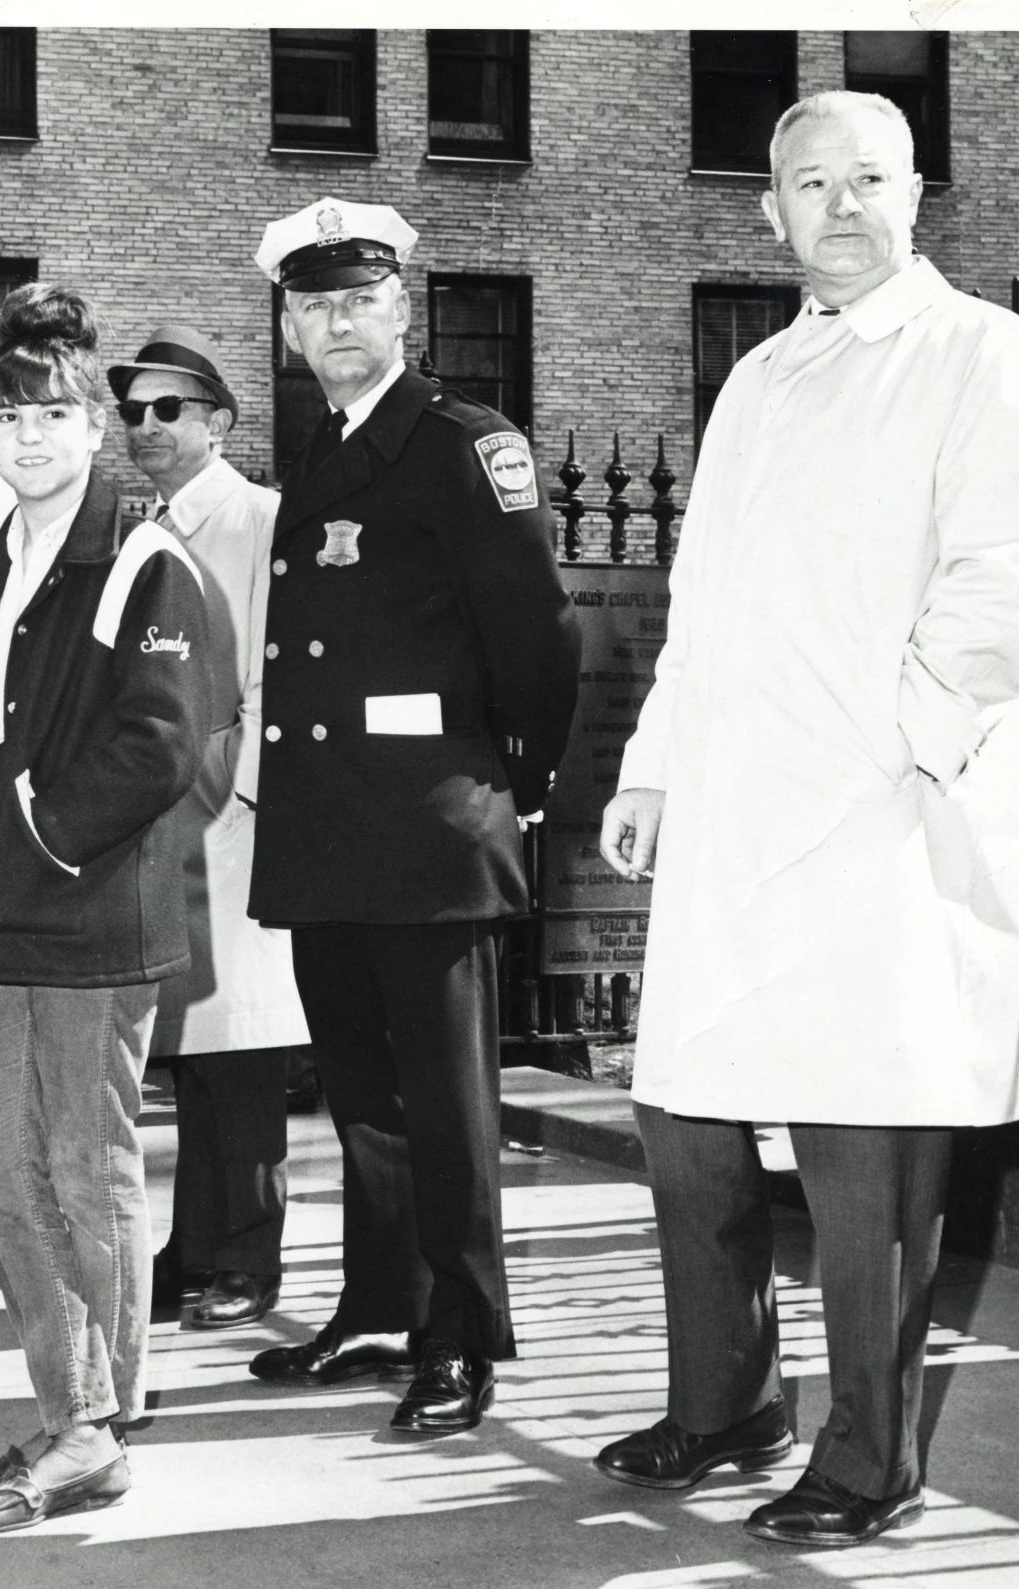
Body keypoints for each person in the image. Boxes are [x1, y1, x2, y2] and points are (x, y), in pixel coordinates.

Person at [594, 92, 1019, 1547]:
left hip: (873, 816)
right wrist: (651, 766)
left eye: (869, 177)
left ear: (917, 192)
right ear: (771, 214)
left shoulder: (981, 354)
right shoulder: (758, 380)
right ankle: (725, 1399)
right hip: (736, 814)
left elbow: (1002, 582)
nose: (842, 204)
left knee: (861, 1155)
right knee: (686, 1119)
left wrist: (904, 745)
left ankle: (870, 1456)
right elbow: (705, 601)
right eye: (811, 182)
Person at [242, 197, 581, 1436]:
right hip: (333, 828)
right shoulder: (321, 452)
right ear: (288, 324)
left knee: (446, 1099)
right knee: (361, 1093)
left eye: (356, 302)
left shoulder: (460, 442)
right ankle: (382, 1302)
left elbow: (536, 638)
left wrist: (517, 784)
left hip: (429, 828)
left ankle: (462, 1328)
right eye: (311, 306)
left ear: (401, 311)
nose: (334, 323)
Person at [0, 285, 214, 1532]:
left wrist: (23, 824)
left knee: (85, 1168)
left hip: (85, 912)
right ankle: (71, 1412)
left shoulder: (143, 560)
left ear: (97, 426)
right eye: (5, 414)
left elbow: (158, 746)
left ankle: (94, 1421)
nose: (26, 434)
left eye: (53, 412)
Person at [108, 324, 309, 1330]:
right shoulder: (143, 532)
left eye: (168, 408)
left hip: (232, 821)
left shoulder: (260, 519)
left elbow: (279, 676)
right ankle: (196, 1239)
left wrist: (237, 794)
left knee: (243, 1051)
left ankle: (247, 1250)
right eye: (132, 410)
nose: (144, 425)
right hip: (163, 824)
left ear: (221, 420)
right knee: (190, 1049)